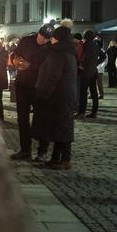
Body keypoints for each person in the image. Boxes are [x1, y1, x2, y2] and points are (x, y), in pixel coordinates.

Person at [31, 24, 77, 170]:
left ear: (57, 38)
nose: (52, 40)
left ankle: (65, 160)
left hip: (57, 95)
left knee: (62, 128)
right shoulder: (68, 52)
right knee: (61, 128)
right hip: (65, 95)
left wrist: (43, 95)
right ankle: (56, 158)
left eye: (53, 37)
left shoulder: (58, 53)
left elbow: (52, 77)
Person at [9, 23, 54, 161]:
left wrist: (31, 66)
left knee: (41, 119)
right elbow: (14, 54)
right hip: (22, 85)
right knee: (22, 119)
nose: (43, 40)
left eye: (47, 38)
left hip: (38, 87)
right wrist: (15, 60)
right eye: (42, 37)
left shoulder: (50, 48)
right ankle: (25, 150)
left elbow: (48, 67)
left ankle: (42, 150)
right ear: (38, 33)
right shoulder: (26, 41)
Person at [76, 29, 101, 118]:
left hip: (85, 72)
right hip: (93, 71)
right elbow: (103, 56)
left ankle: (82, 112)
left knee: (83, 93)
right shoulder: (96, 44)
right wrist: (95, 63)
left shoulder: (86, 45)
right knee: (94, 92)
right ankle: (94, 112)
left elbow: (85, 57)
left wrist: (82, 65)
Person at [95, 35, 107, 100]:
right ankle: (94, 94)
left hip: (99, 70)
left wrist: (100, 67)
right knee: (94, 83)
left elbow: (105, 60)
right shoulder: (95, 50)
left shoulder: (102, 51)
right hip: (94, 69)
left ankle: (101, 94)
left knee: (99, 83)